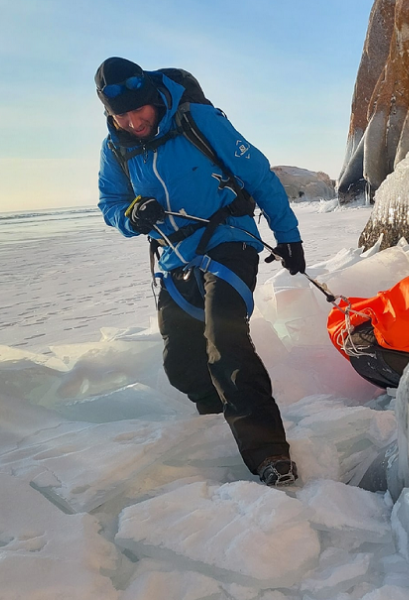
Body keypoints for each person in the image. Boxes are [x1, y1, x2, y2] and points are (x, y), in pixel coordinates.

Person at [94, 57, 305, 486]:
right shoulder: (115, 148)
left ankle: (269, 454)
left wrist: (288, 235)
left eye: (141, 112)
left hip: (229, 239)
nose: (134, 122)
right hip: (173, 258)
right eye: (123, 116)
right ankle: (216, 419)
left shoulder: (198, 120)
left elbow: (258, 174)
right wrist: (132, 216)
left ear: (154, 99)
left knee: (225, 338)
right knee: (183, 365)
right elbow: (111, 204)